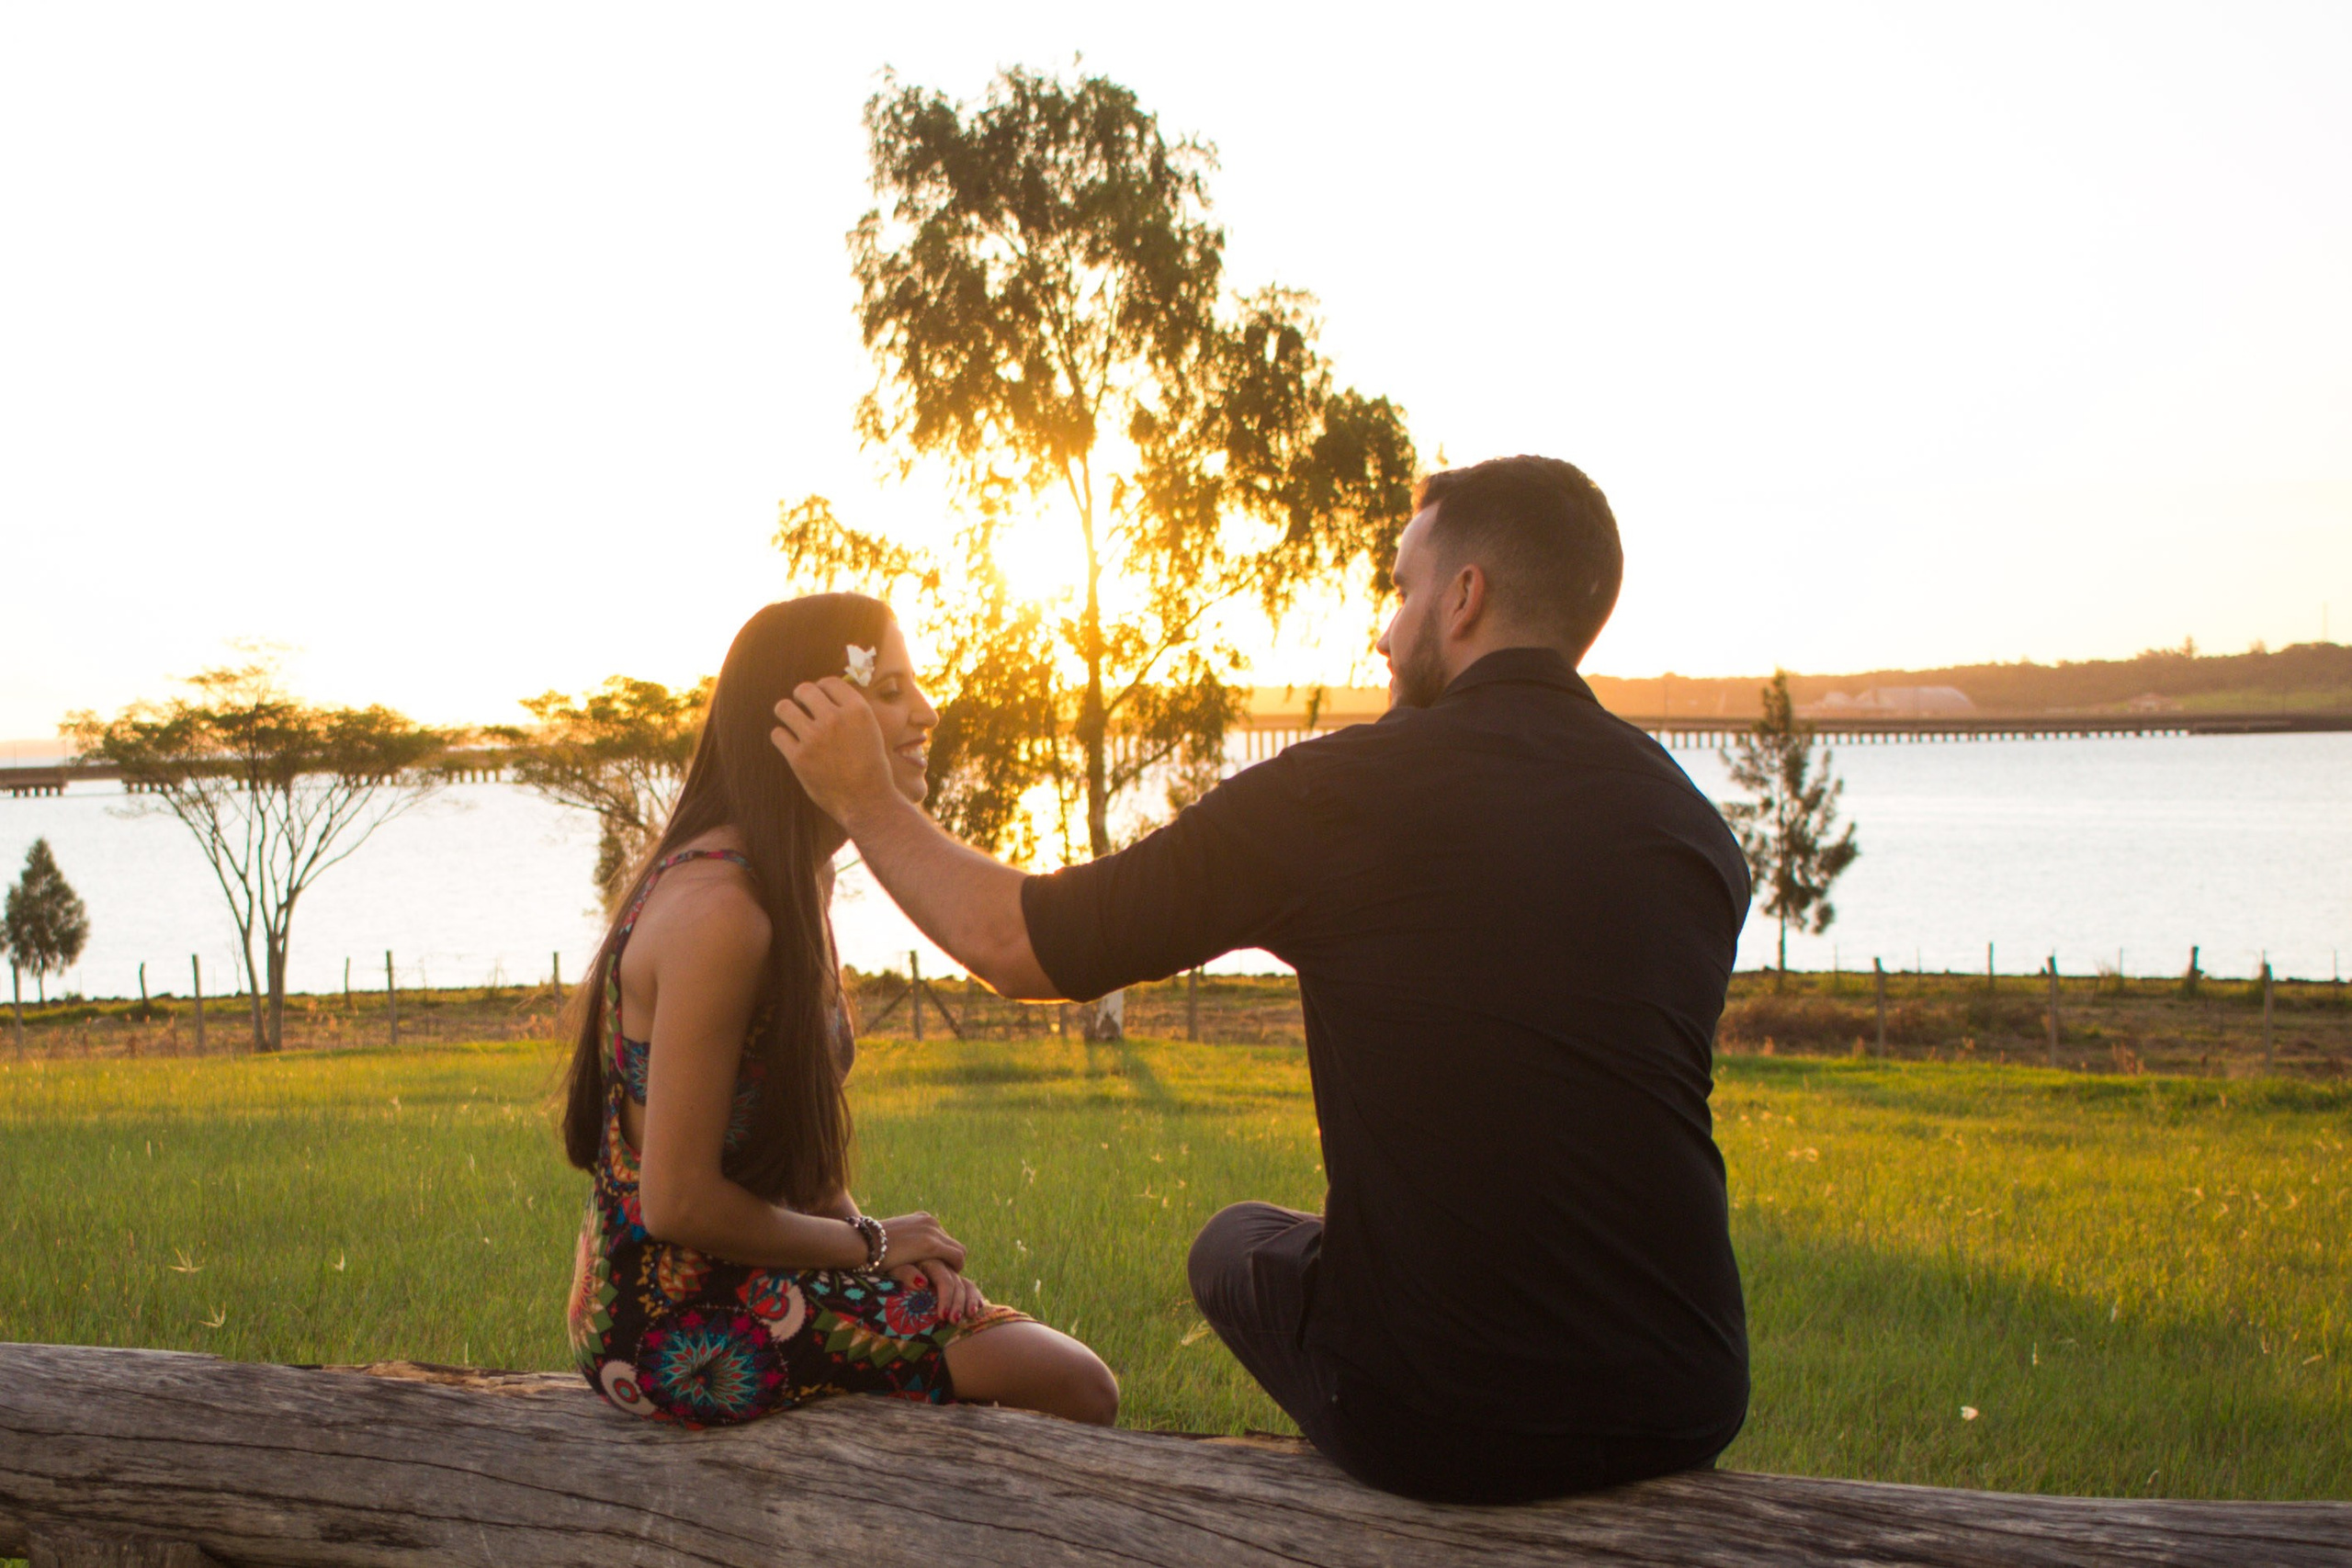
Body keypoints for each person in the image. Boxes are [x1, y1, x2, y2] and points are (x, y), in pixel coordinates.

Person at [770, 455, 1750, 1503]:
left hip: (1443, 1418)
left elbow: (1025, 944)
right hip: (1683, 1392)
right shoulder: (1690, 828)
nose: (1383, 627)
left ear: (1464, 598)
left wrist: (868, 805)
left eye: (1401, 587)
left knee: (1235, 1242)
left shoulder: (1342, 795)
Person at [560, 592, 1118, 1430]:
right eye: (890, 690)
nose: (926, 712)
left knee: (1030, 1360)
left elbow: (794, 1153)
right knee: (1075, 1383)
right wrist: (872, 1246)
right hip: (670, 1320)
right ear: (809, 718)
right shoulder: (721, 911)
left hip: (742, 1273)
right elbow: (675, 1202)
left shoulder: (796, 876)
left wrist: (875, 1242)